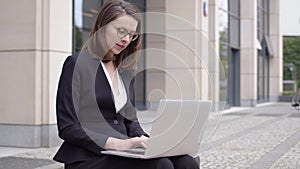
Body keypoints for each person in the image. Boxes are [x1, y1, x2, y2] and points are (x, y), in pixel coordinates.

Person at [53, 0, 199, 168]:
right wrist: (117, 144)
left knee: (187, 162)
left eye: (132, 34)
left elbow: (130, 121)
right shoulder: (77, 64)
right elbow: (67, 127)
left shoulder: (125, 70)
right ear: (102, 26)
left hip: (122, 153)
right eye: (121, 31)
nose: (127, 39)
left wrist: (146, 141)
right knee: (161, 165)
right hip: (90, 156)